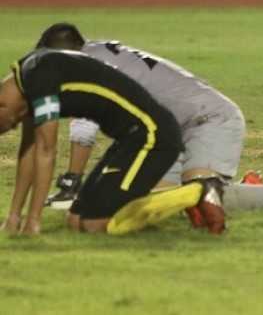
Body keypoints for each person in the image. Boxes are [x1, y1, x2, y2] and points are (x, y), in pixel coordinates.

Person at [36, 23, 263, 224]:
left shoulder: (89, 65)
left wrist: (72, 180)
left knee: (203, 196)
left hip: (208, 119)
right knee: (152, 201)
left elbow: (84, 128)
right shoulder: (99, 52)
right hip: (169, 135)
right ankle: (250, 186)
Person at [0, 48, 210, 235]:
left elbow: (46, 150)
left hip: (153, 136)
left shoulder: (40, 80)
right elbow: (29, 148)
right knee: (75, 222)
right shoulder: (27, 77)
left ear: (1, 105)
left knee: (95, 225)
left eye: (7, 124)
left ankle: (196, 192)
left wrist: (33, 220)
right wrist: (14, 217)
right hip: (128, 140)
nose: (15, 125)